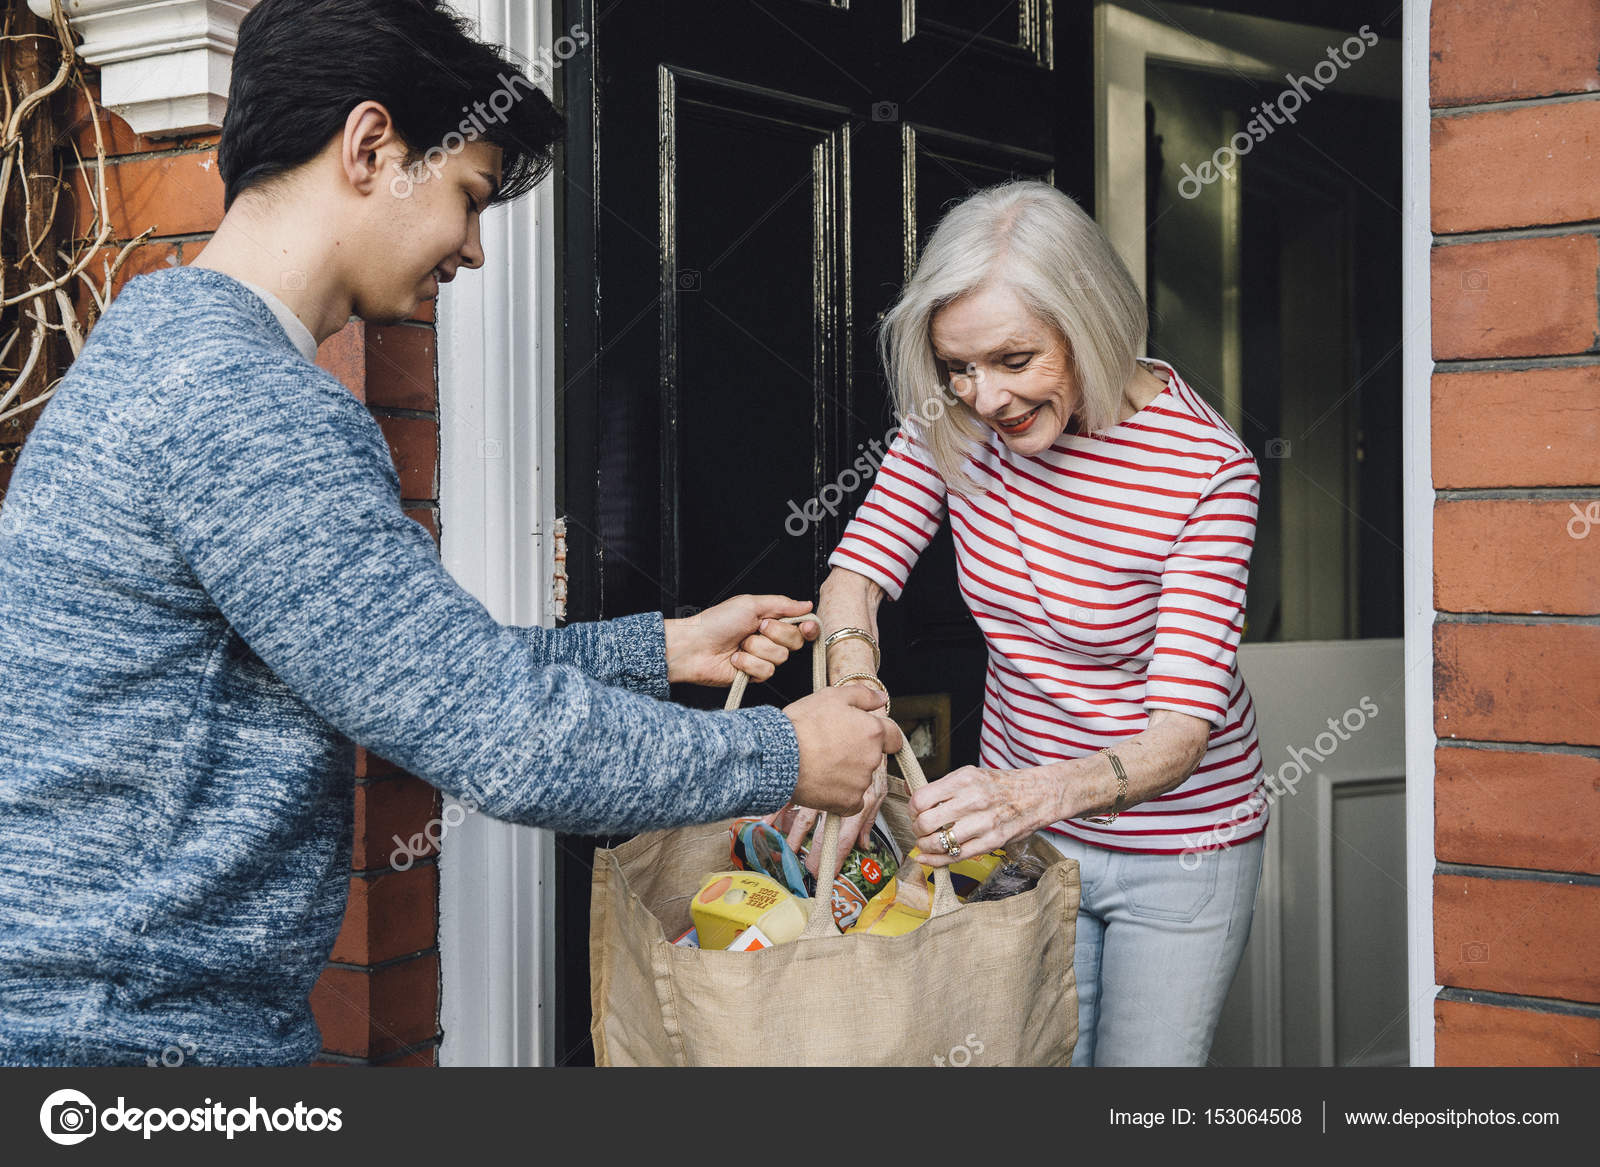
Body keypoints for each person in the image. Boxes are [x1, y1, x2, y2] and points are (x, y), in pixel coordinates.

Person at [0, 0, 898, 1067]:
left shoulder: (166, 342)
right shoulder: (246, 402)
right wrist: (782, 752)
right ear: (370, 147)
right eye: (468, 197)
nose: (472, 251)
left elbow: (402, 671)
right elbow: (500, 739)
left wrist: (657, 650)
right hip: (133, 1042)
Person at [800, 180, 1266, 1066]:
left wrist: (1030, 792)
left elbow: (1179, 735)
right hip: (1027, 840)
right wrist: (854, 705)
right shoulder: (955, 419)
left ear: (1089, 320)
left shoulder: (1208, 472)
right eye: (958, 366)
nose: (985, 397)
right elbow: (854, 578)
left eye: (1015, 360)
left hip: (1179, 847)